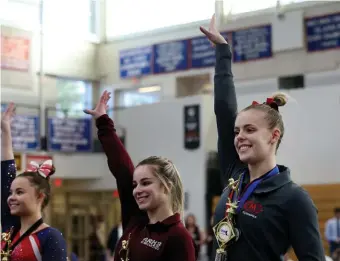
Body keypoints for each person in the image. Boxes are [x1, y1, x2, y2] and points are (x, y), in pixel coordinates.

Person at [200, 15, 325, 261]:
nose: (239, 137)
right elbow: (224, 111)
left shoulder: (294, 199)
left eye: (250, 130)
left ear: (273, 136)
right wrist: (223, 52)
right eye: (237, 132)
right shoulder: (234, 175)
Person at [84, 91, 196, 261]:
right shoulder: (136, 220)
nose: (137, 190)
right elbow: (122, 168)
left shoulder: (178, 237)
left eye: (145, 183)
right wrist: (103, 122)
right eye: (135, 184)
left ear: (166, 187)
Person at [1, 102, 67, 261]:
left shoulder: (51, 237)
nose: (11, 197)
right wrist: (5, 131)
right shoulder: (10, 229)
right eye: (11, 192)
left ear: (40, 196)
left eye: (19, 192)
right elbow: (5, 173)